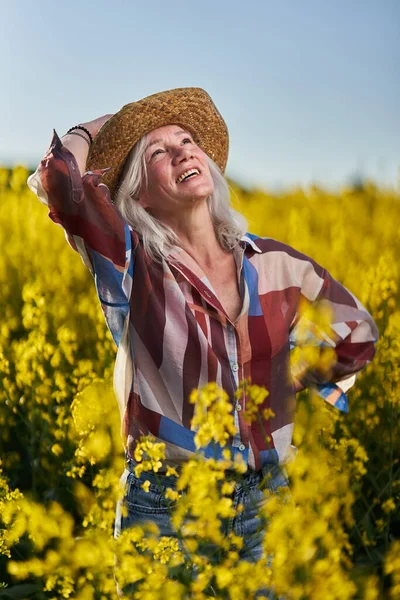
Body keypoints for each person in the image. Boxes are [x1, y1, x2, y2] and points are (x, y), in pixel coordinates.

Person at [27, 87, 379, 579]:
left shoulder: (277, 263)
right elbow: (62, 181)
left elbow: (359, 333)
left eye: (188, 140)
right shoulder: (132, 264)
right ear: (137, 193)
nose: (182, 151)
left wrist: (292, 377)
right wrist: (98, 129)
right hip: (165, 508)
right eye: (158, 152)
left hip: (266, 505)